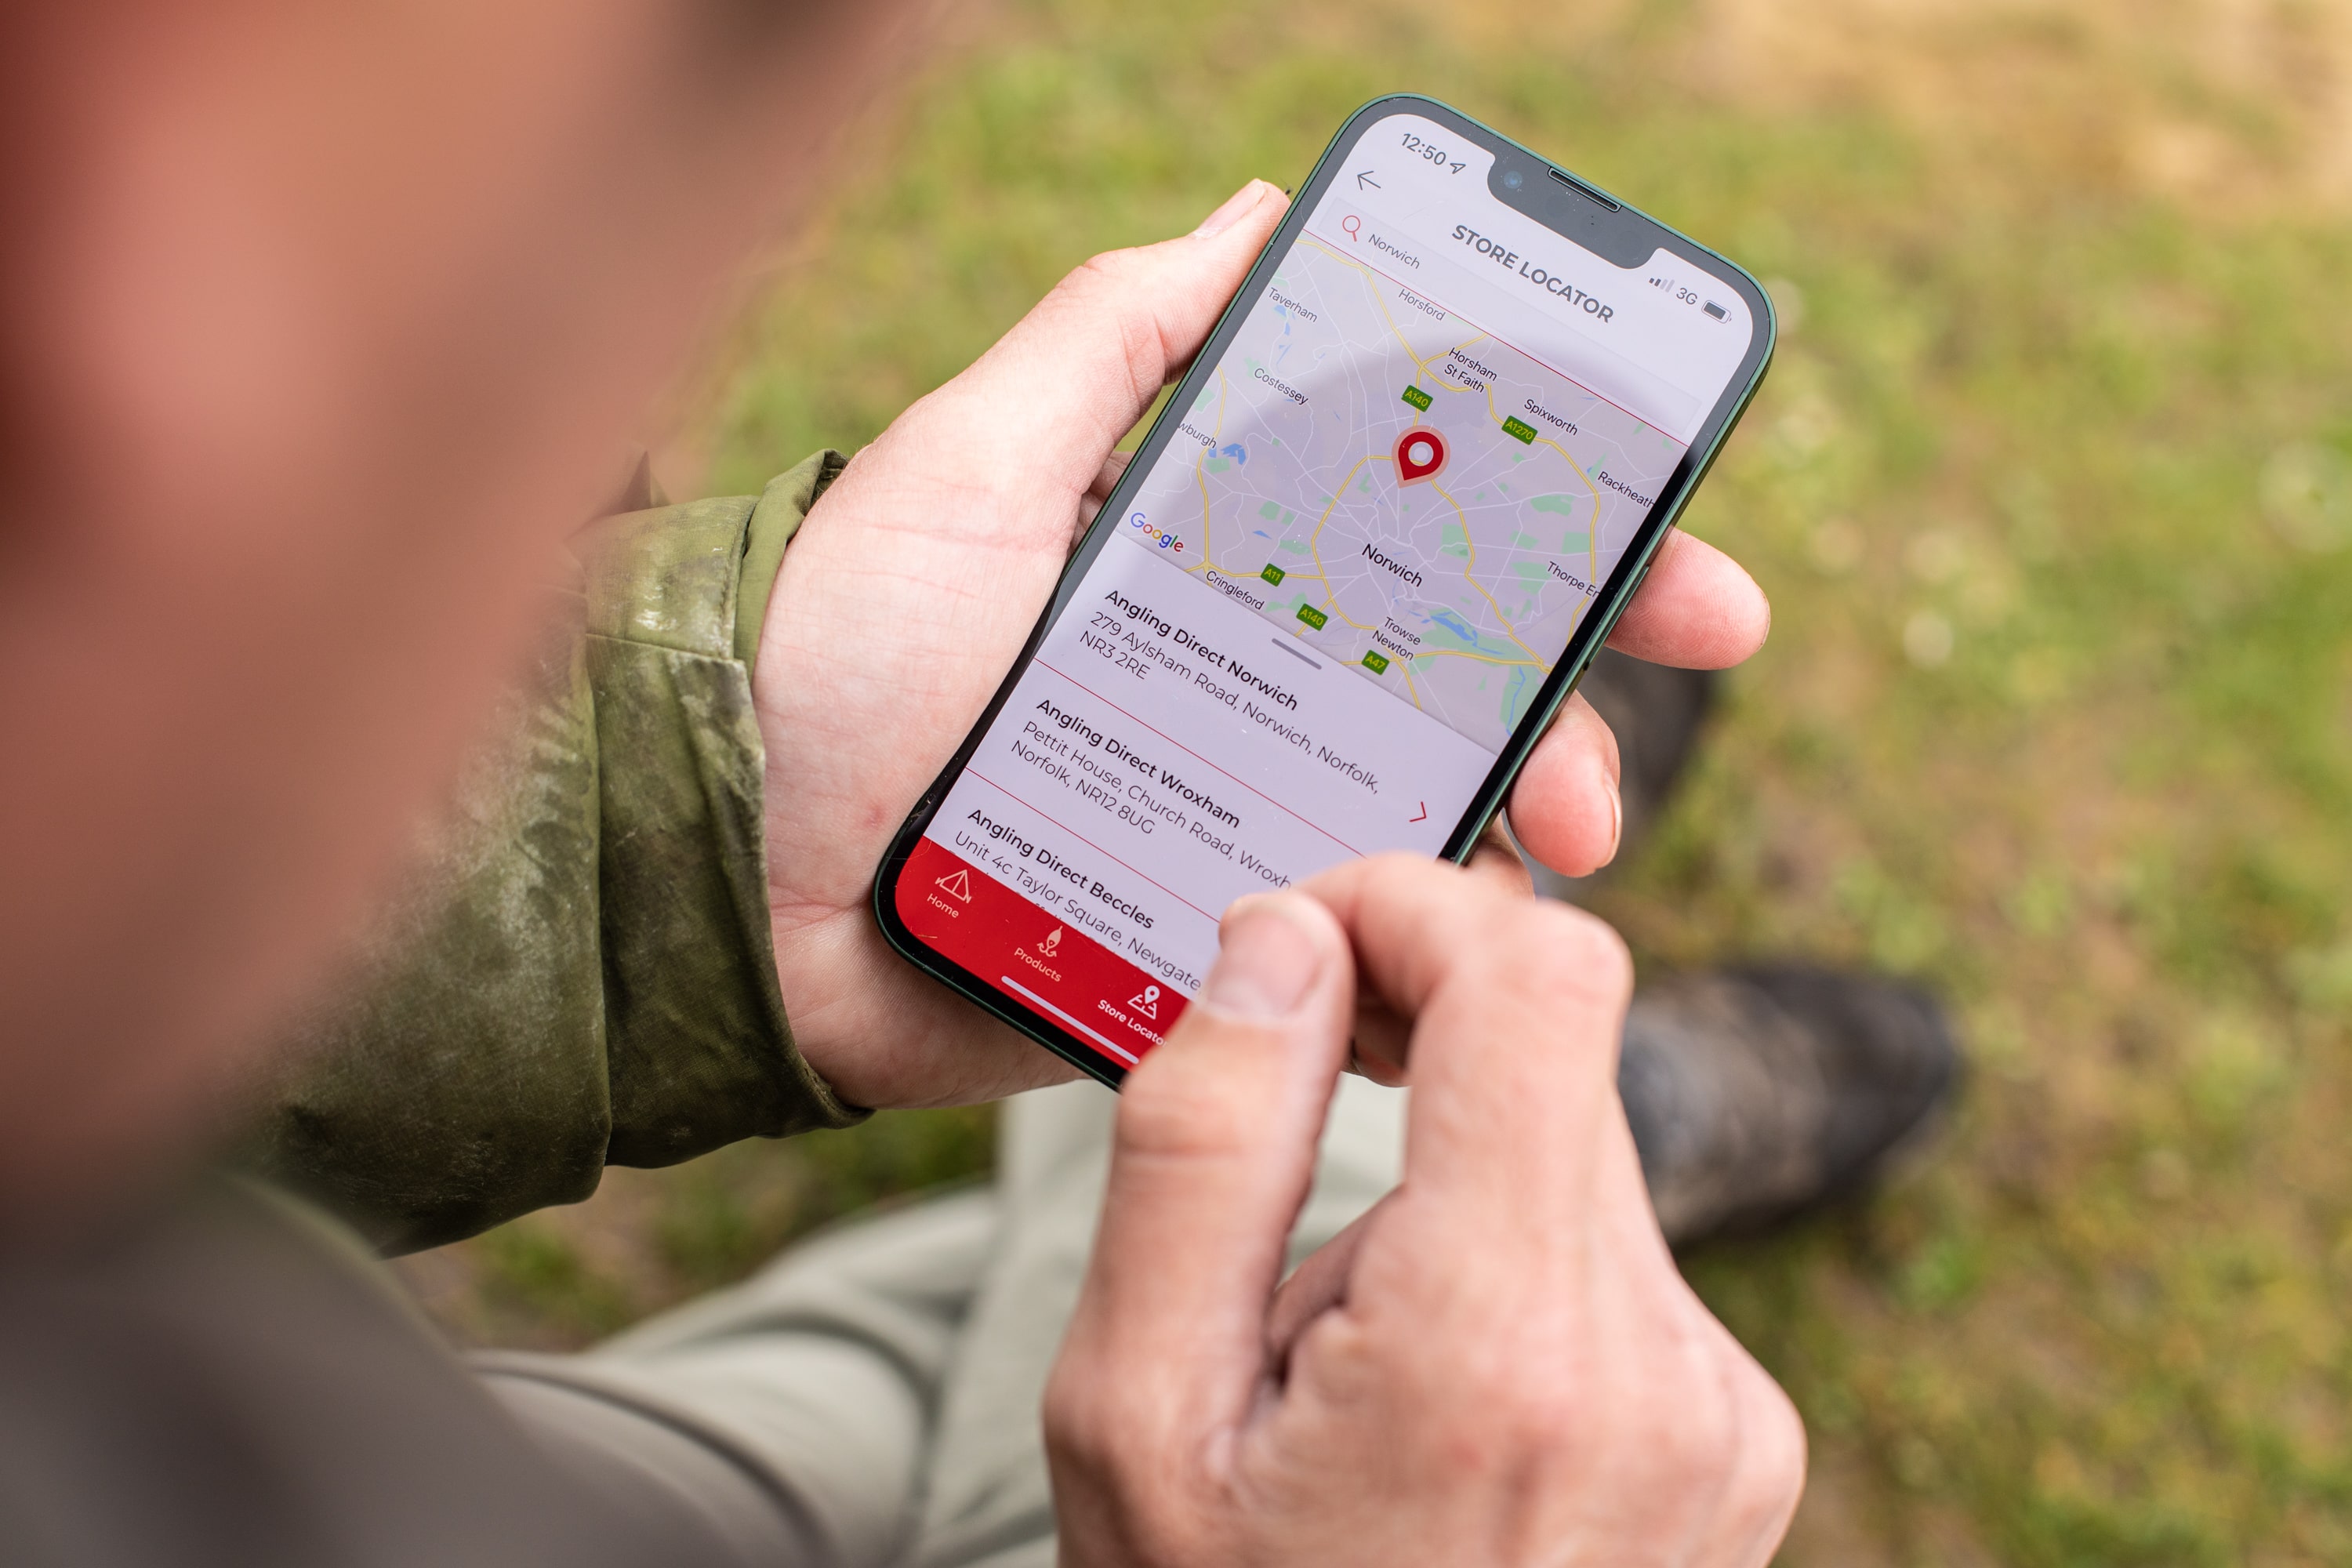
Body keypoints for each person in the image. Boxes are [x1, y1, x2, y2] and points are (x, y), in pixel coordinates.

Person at [0, 1, 1940, 1563]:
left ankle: (1474, 1175)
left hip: (465, 1477)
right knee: (1268, 1282)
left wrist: (699, 830)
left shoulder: (141, 1391)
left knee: (876, 1400)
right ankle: (1537, 1186)